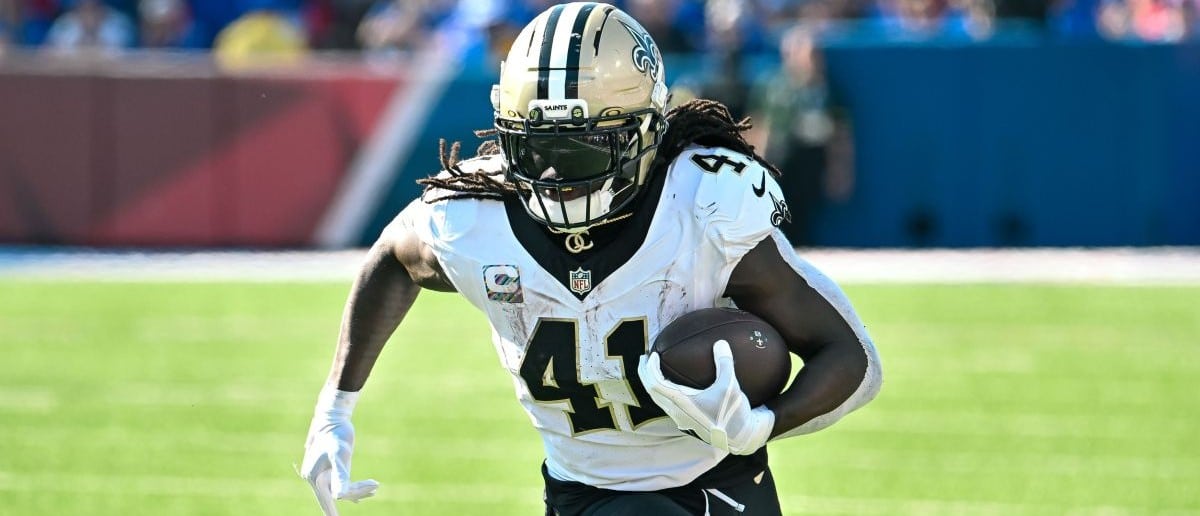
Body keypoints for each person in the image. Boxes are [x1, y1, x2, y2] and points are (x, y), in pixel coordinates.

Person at [300, 3, 882, 515]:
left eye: (580, 148)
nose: (554, 176)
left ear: (644, 133)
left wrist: (764, 425)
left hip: (715, 487)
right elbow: (393, 260)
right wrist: (335, 407)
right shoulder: (473, 221)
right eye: (537, 147)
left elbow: (851, 357)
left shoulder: (703, 209)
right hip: (576, 492)